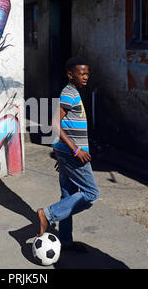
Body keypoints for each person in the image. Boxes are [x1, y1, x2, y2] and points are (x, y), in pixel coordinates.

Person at [37, 57, 100, 250]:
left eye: (87, 73)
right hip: (73, 153)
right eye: (81, 73)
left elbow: (67, 126)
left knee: (68, 195)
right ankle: (47, 215)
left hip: (66, 153)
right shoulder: (69, 94)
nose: (85, 77)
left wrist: (62, 155)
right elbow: (55, 123)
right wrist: (75, 150)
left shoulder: (73, 93)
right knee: (91, 194)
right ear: (70, 74)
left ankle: (65, 240)